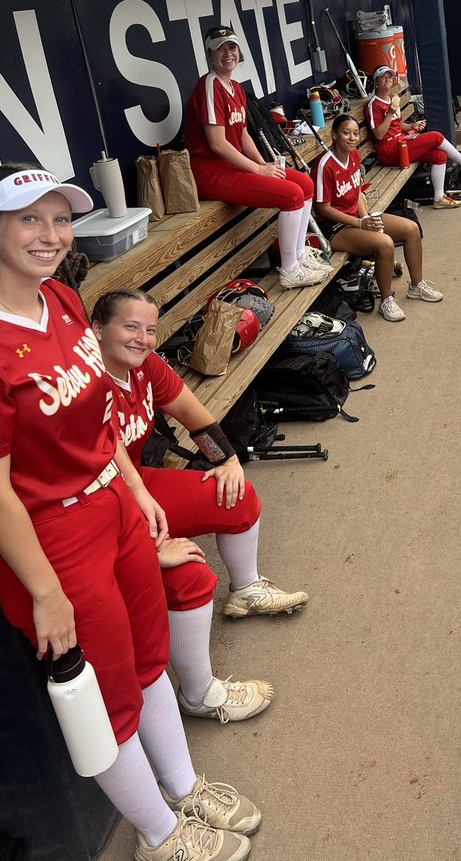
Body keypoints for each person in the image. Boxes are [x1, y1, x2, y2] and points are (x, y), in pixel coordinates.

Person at [0, 164, 260, 861]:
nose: (50, 235)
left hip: (110, 505)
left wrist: (134, 496)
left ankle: (185, 788)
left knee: (145, 660)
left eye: (61, 219)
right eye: (28, 220)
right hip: (50, 538)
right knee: (102, 699)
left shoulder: (66, 302)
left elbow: (97, 424)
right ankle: (160, 836)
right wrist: (45, 591)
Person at [92, 289, 309, 724]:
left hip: (138, 487)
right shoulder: (86, 382)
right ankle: (198, 694)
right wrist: (151, 546)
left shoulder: (144, 366)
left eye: (150, 330)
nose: (143, 339)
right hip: (101, 508)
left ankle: (245, 592)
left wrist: (225, 459)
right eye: (130, 327)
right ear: (97, 330)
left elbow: (193, 416)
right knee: (189, 573)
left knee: (236, 496)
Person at [182, 25, 329, 290]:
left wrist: (263, 163)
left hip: (233, 165)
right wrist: (258, 170)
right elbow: (217, 144)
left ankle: (299, 256)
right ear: (209, 54)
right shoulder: (209, 86)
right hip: (210, 171)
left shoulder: (235, 87)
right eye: (220, 49)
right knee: (292, 195)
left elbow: (243, 136)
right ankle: (289, 269)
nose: (228, 53)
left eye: (232, 47)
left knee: (305, 185)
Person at [313, 115, 444, 322]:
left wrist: (365, 217)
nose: (352, 138)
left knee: (411, 229)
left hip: (357, 218)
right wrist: (360, 223)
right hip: (334, 227)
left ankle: (416, 286)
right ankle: (386, 301)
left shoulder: (354, 155)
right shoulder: (325, 164)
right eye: (346, 133)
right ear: (334, 135)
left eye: (356, 133)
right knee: (385, 243)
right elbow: (323, 208)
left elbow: (356, 192)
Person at [364, 65, 461, 209]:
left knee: (439, 155)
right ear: (376, 82)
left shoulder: (392, 98)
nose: (387, 79)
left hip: (401, 142)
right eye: (383, 77)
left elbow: (396, 125)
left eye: (389, 76)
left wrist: (412, 126)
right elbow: (379, 134)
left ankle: (439, 198)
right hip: (388, 150)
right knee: (436, 136)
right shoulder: (374, 104)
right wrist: (390, 113)